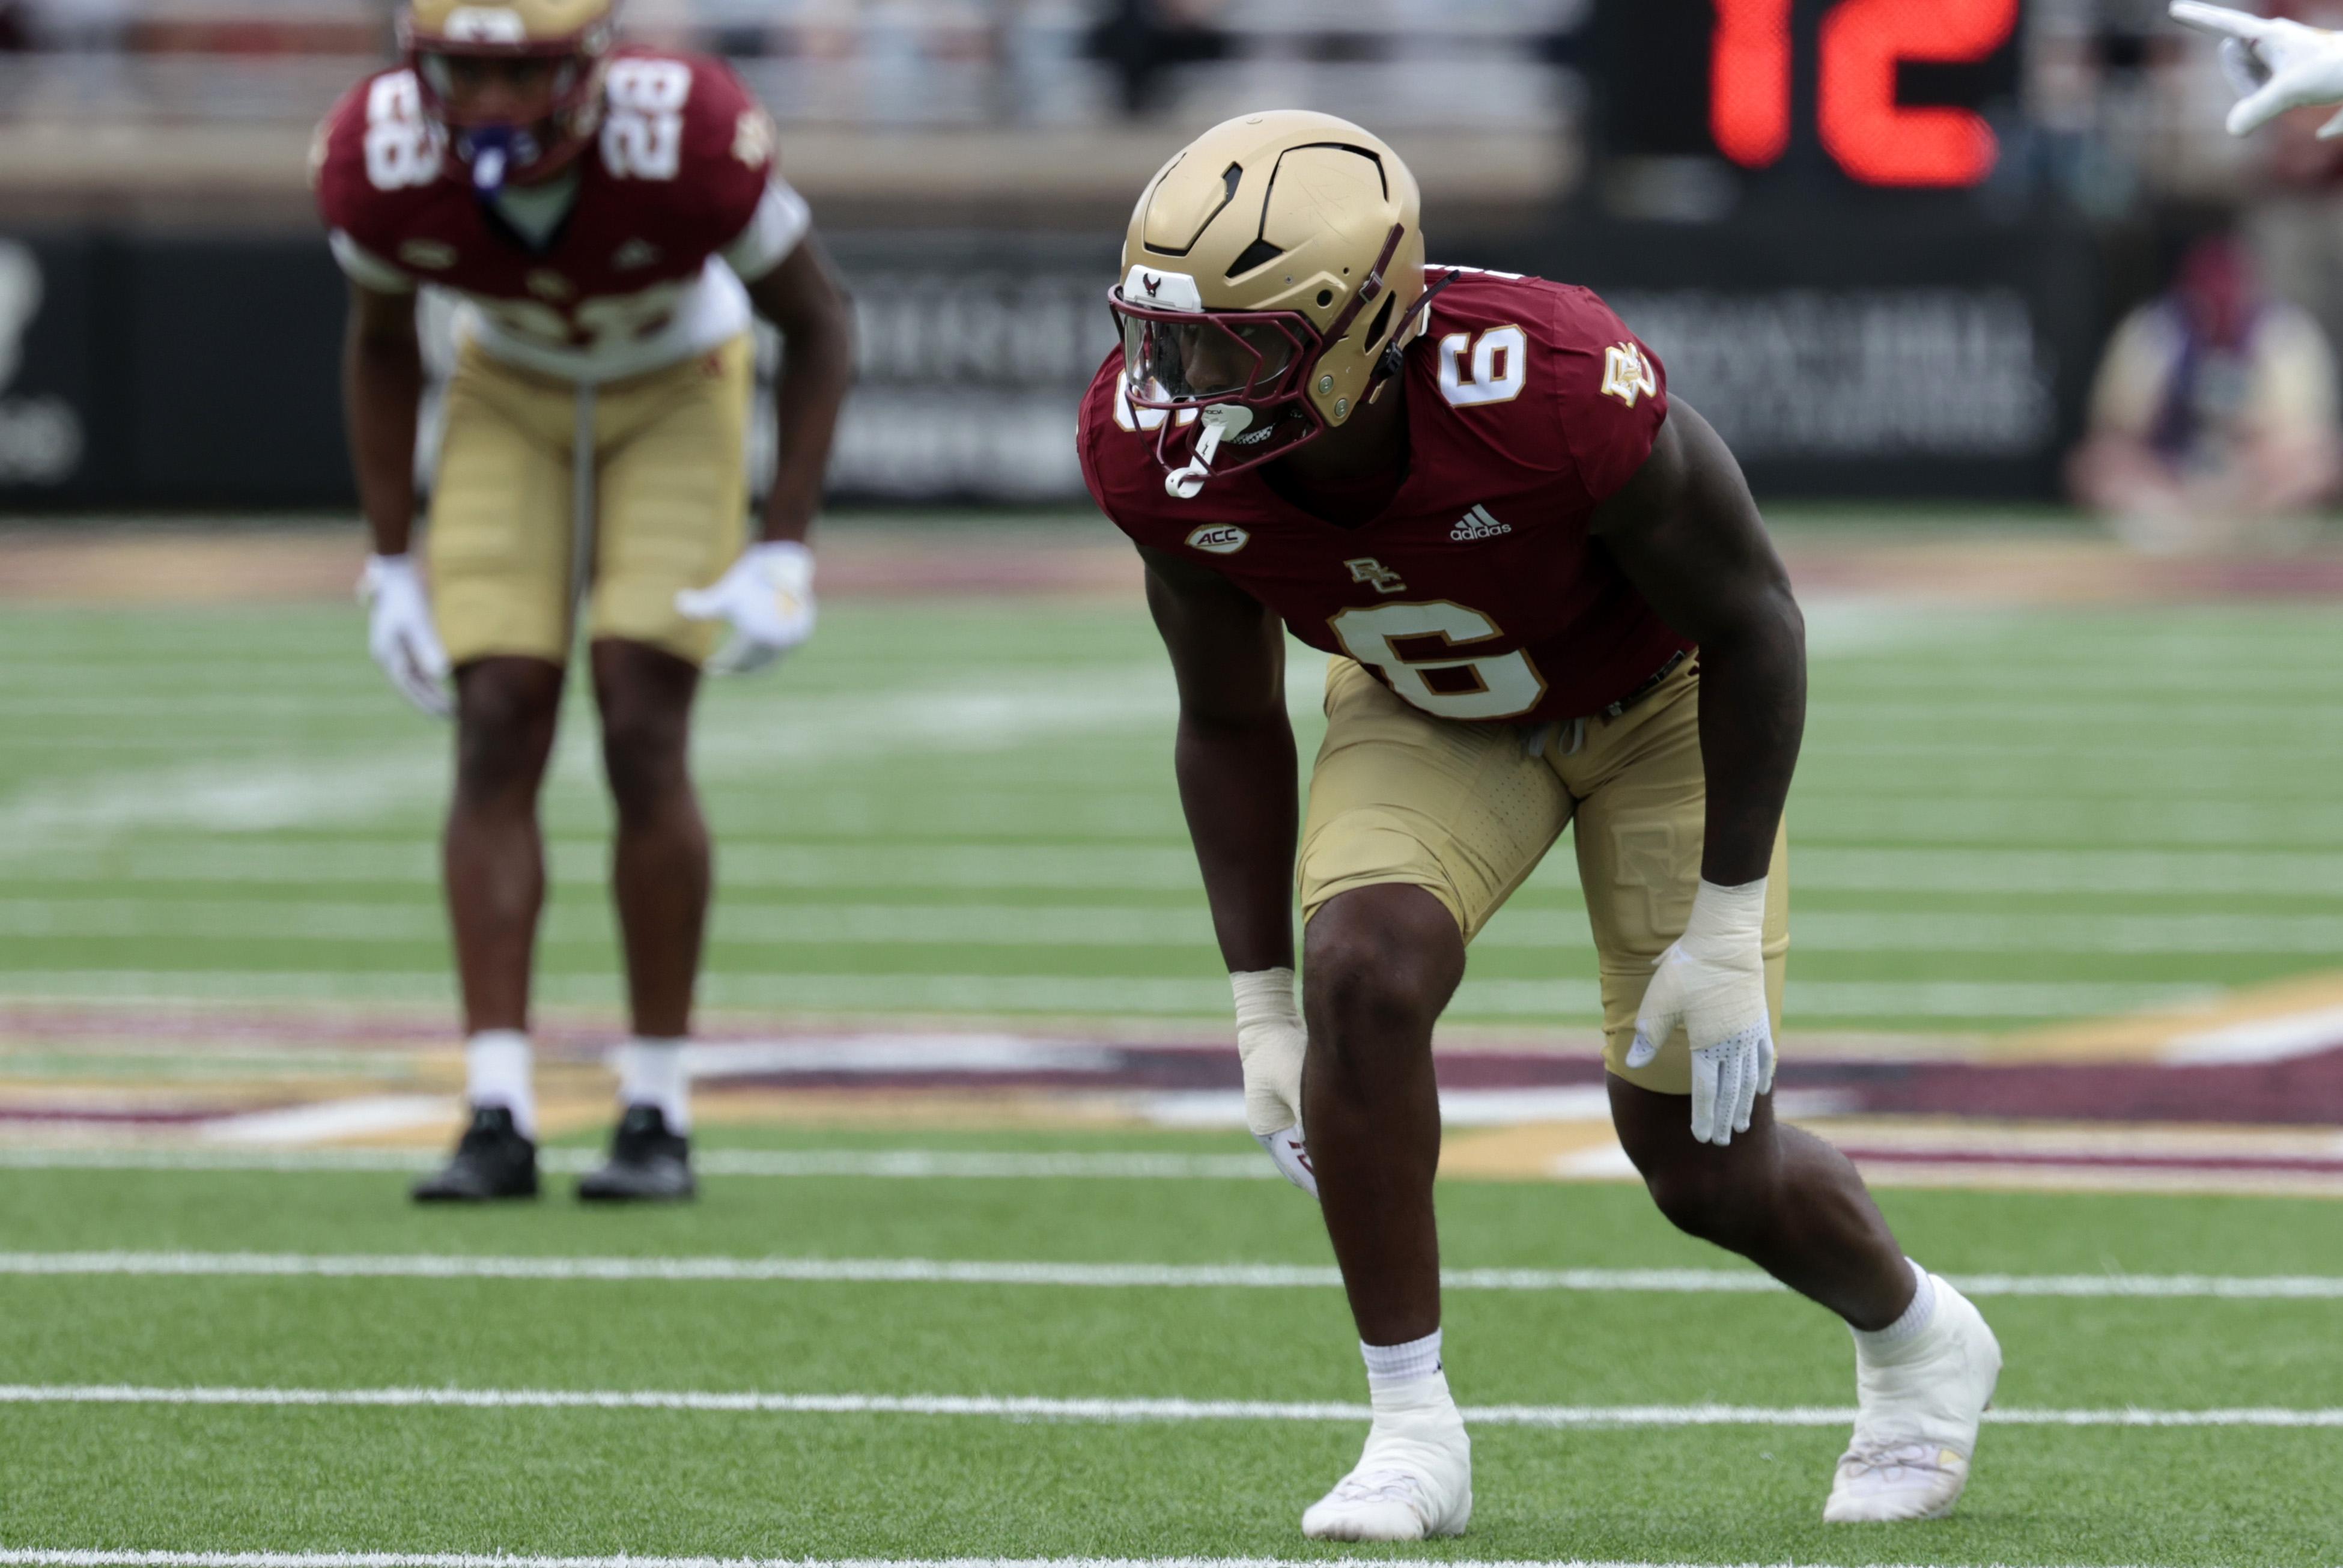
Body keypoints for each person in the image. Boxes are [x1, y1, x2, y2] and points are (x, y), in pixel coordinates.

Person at [1076, 111, 2001, 1539]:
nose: (1185, 385)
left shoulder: (1548, 378)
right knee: (1360, 976)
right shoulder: (1159, 454)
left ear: (1356, 329)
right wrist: (1262, 999)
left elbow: (1755, 617)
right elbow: (1228, 717)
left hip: (1661, 704)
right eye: (1165, 338)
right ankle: (1410, 1428)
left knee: (1699, 1162)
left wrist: (1727, 910)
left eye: (1234, 348)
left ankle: (1919, 1331)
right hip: (1430, 703)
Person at [313, 0, 857, 1203]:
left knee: (641, 720)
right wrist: (392, 557)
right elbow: (381, 337)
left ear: (590, 68)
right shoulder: (385, 154)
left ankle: (656, 1106)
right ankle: (496, 1106)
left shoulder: (687, 133)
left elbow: (818, 323)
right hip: (507, 384)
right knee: (498, 710)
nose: (492, 104)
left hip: (677, 381)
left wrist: (787, 546)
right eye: (465, 71)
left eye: (521, 75)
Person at [2069, 232, 2341, 550]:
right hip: (2171, 483)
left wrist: (2244, 473)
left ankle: (2253, 534)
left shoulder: (2286, 334)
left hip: (2252, 486)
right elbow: (2117, 432)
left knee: (2317, 463)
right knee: (2094, 465)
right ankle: (2174, 536)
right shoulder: (2153, 332)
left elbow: (2302, 437)